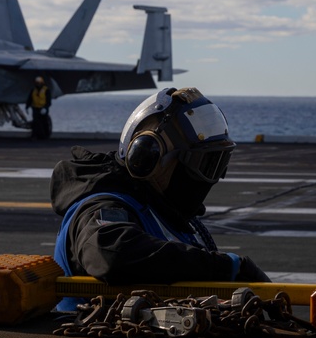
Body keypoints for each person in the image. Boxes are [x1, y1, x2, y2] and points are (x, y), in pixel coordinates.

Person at [50, 86, 269, 311]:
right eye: (202, 165)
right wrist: (225, 267)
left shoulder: (167, 213)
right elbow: (112, 253)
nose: (209, 179)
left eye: (216, 166)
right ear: (146, 157)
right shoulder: (102, 206)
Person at [26, 75, 53, 140]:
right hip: (35, 108)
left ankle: (45, 136)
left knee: (44, 122)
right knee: (36, 122)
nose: (38, 84)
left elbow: (48, 100)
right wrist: (27, 106)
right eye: (37, 82)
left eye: (39, 82)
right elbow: (30, 99)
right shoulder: (33, 90)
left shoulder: (46, 90)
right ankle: (35, 135)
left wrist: (45, 108)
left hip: (43, 108)